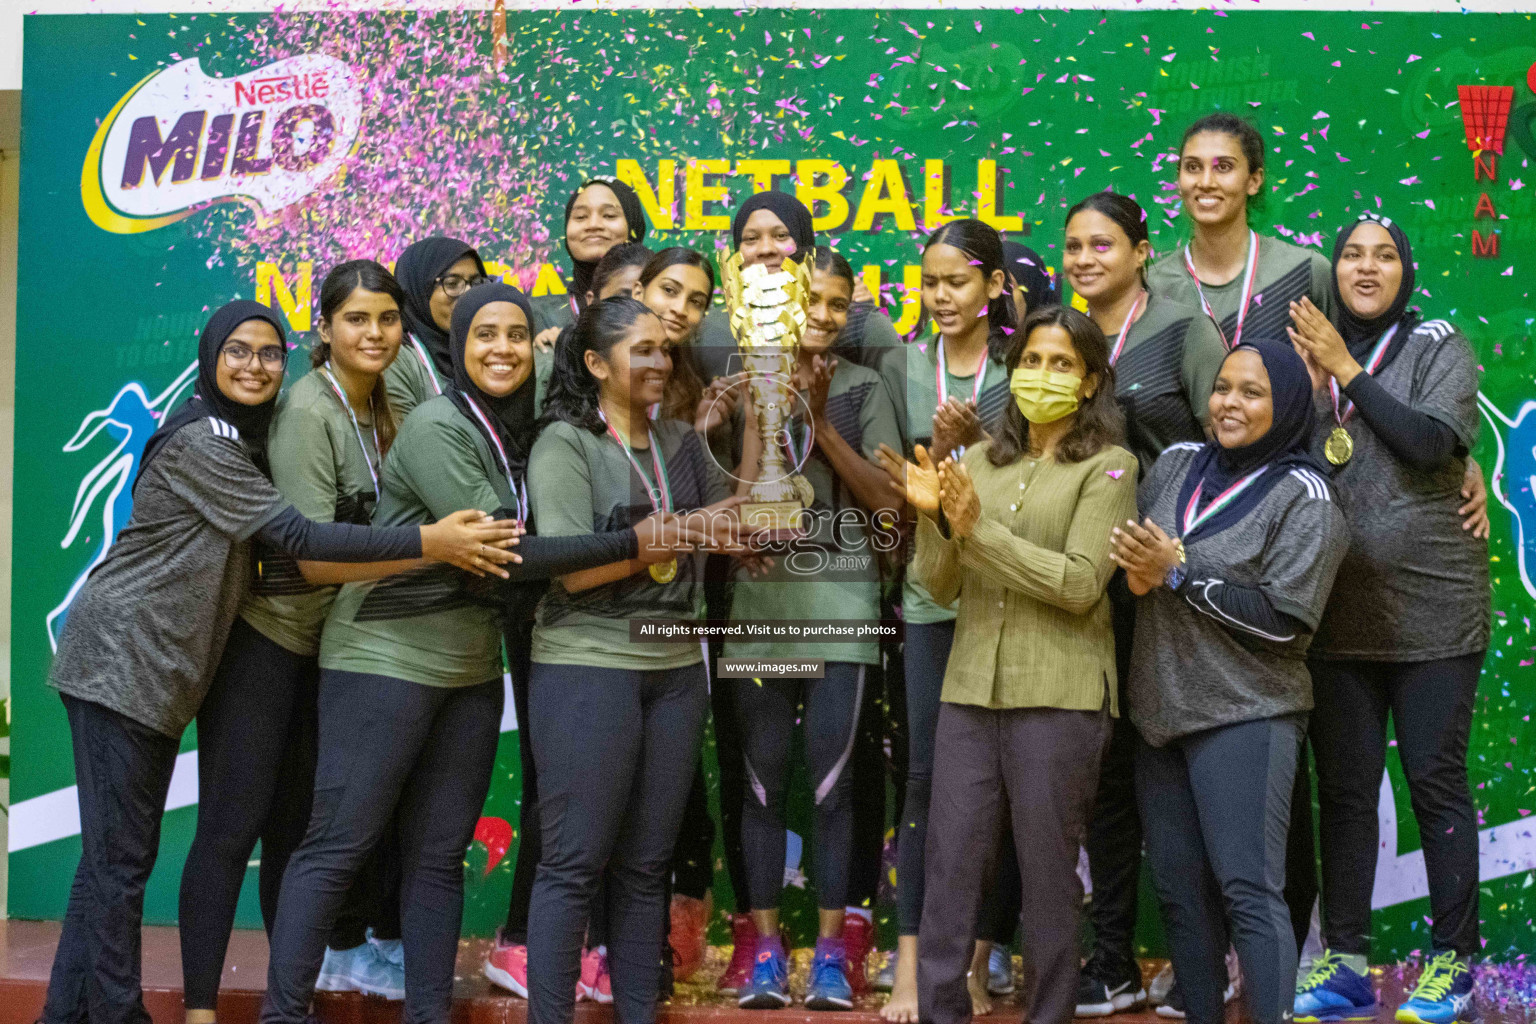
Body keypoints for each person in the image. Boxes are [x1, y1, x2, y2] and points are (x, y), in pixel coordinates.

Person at [40, 299, 520, 1024]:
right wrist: (430, 544)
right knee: (121, 862)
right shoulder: (204, 442)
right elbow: (299, 536)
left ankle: (61, 1014)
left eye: (269, 353)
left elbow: (285, 564)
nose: (255, 366)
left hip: (157, 673)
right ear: (209, 358)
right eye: (238, 351)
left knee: (106, 862)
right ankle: (117, 1013)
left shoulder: (242, 440)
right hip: (122, 663)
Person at [258, 284, 699, 1024]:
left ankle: (427, 1016)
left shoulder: (532, 430)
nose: (502, 349)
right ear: (456, 346)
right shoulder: (437, 425)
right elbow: (508, 552)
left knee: (437, 860)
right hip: (383, 657)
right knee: (337, 846)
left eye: (517, 335)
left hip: (467, 667)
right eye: (484, 334)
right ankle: (281, 1016)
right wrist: (636, 542)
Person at [878, 305, 1136, 1024]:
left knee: (1050, 882)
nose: (1040, 376)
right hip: (968, 693)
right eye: (1029, 362)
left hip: (1062, 694)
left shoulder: (1111, 466)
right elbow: (941, 584)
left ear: (1089, 384)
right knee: (949, 870)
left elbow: (1081, 584)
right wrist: (932, 519)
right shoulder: (980, 464)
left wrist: (974, 528)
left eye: (1061, 365)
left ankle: (1049, 1013)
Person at [522, 295, 749, 1024]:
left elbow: (740, 524)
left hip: (678, 672)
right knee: (573, 865)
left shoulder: (680, 441)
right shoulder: (564, 441)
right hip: (588, 667)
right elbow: (572, 569)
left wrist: (770, 418)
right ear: (595, 364)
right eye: (642, 349)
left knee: (647, 867)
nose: (660, 360)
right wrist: (678, 531)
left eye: (664, 348)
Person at [1109, 341, 1349, 1024]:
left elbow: (1285, 625)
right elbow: (1138, 569)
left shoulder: (1308, 496)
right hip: (1159, 714)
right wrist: (1139, 573)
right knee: (1182, 896)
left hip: (1247, 714)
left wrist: (1177, 576)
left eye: (1252, 392)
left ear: (1287, 405)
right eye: (1222, 389)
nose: (1229, 404)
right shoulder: (1178, 463)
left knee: (1248, 892)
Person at [1287, 213, 1488, 1024]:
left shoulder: (1439, 342)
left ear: (1407, 269)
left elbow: (1433, 444)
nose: (1366, 269)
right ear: (1333, 268)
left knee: (1435, 783)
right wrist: (1315, 370)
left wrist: (1346, 370)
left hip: (1434, 609)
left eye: (1384, 257)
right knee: (1343, 792)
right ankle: (1344, 961)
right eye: (1350, 256)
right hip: (1336, 614)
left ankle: (1454, 963)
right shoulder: (1304, 344)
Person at [1062, 191, 1229, 1017]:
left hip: (1170, 582)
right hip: (1087, 586)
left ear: (1139, 250)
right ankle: (1113, 960)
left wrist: (1185, 552)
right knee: (1107, 780)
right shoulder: (1063, 336)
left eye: (1102, 245)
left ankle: (1214, 955)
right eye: (1073, 247)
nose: (1086, 259)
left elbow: (1231, 438)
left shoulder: (1183, 331)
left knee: (1176, 769)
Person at [726, 248, 902, 1011]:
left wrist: (824, 422)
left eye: (836, 304)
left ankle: (833, 955)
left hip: (841, 617)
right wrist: (769, 394)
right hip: (758, 619)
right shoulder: (742, 386)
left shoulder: (866, 388)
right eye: (808, 302)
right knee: (763, 786)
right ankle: (766, 952)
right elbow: (742, 500)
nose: (822, 317)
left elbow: (889, 506)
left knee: (834, 792)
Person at [874, 218, 1017, 1023]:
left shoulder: (1019, 362)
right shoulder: (902, 363)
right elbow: (894, 480)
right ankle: (910, 970)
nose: (941, 297)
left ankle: (974, 960)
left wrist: (981, 440)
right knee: (927, 780)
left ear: (993, 286)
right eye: (929, 283)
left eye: (957, 282)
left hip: (1009, 598)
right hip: (931, 600)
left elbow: (1041, 470)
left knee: (1000, 785)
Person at [530, 178, 649, 343]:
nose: (593, 225)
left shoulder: (662, 308)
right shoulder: (536, 315)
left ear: (633, 225)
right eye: (580, 217)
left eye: (609, 215)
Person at [386, 236, 489, 419]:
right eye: (452, 284)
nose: (467, 295)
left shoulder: (487, 347)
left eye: (476, 283)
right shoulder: (396, 360)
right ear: (419, 292)